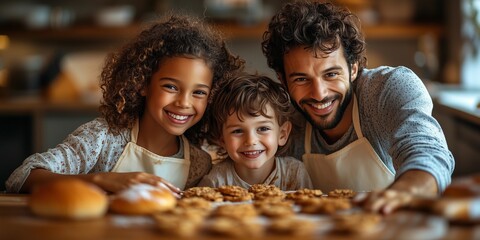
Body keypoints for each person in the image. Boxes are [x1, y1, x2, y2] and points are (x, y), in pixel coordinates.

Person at [5, 14, 245, 194]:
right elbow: (21, 177)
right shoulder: (102, 139)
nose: (184, 102)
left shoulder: (200, 164)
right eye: (171, 87)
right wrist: (103, 180)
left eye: (199, 92)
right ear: (142, 83)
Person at [261, 1, 454, 213]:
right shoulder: (284, 119)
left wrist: (405, 191)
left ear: (353, 69)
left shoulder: (388, 89)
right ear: (282, 80)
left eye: (331, 74)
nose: (319, 94)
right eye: (301, 79)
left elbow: (429, 152)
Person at [197, 73, 313, 190]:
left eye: (263, 129)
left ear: (282, 134)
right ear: (222, 139)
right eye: (237, 131)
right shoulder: (216, 181)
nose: (251, 141)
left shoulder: (295, 173)